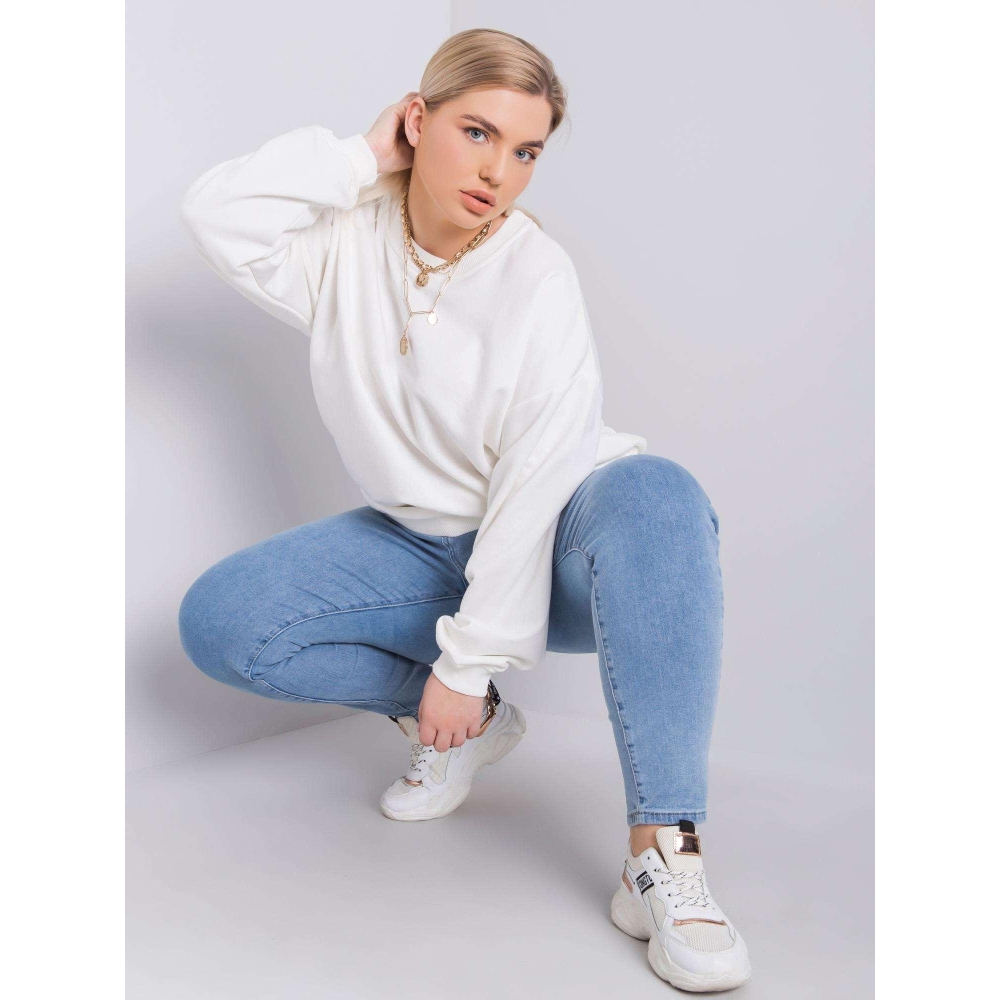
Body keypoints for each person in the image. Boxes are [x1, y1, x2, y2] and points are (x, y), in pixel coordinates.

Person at [176, 27, 752, 992]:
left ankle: (663, 854)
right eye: (476, 132)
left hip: (569, 541)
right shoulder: (344, 245)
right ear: (418, 119)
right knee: (223, 621)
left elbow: (537, 475)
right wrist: (361, 157)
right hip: (421, 542)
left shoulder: (535, 276)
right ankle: (469, 728)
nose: (498, 171)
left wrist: (467, 657)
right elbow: (214, 213)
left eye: (525, 151)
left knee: (661, 493)